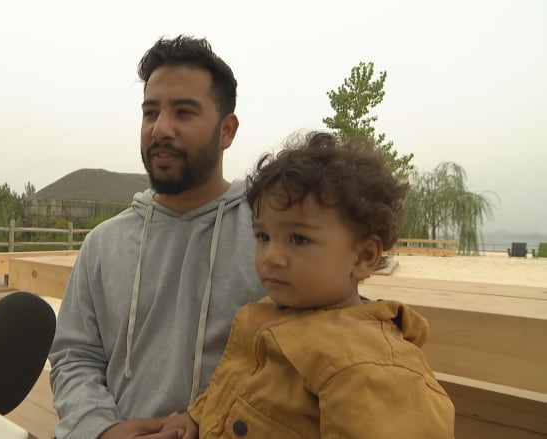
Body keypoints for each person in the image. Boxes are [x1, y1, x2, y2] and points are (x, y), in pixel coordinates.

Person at [161, 132, 456, 438]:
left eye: (298, 239)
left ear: (364, 256)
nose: (271, 257)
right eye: (263, 237)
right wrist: (196, 419)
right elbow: (232, 388)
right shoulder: (266, 313)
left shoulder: (369, 364)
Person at [48, 35, 267, 439]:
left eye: (184, 113)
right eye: (151, 113)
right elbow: (74, 356)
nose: (160, 129)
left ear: (227, 130)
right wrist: (100, 430)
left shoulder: (269, 240)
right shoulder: (103, 244)